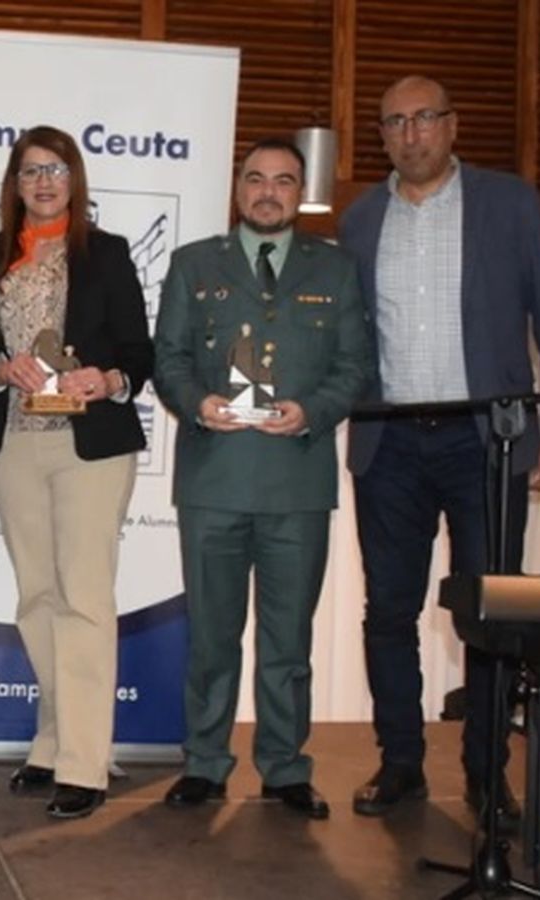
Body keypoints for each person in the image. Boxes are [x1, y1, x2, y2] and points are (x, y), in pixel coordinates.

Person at [338, 75, 540, 825]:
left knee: (490, 613)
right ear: (381, 136)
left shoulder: (508, 204)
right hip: (389, 444)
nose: (410, 134)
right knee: (388, 610)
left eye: (424, 119)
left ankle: (486, 772)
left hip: (488, 440)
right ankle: (401, 761)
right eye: (394, 123)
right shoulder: (359, 219)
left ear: (452, 125)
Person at [153, 138, 373, 820]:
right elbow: (170, 358)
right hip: (214, 481)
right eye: (256, 179)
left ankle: (283, 768)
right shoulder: (194, 265)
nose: (268, 191)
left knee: (287, 641)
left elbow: (355, 367)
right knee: (213, 637)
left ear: (300, 191)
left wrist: (314, 411)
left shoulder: (335, 270)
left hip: (296, 485)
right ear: (237, 188)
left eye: (283, 180)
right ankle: (205, 764)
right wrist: (198, 403)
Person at [0, 126, 151, 820]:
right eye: (29, 172)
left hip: (89, 443)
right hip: (14, 438)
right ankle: (51, 744)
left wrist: (106, 379)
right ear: (13, 185)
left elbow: (139, 350)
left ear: (74, 179)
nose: (43, 182)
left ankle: (84, 762)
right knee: (36, 599)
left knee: (82, 598)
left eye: (55, 170)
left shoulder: (105, 253)